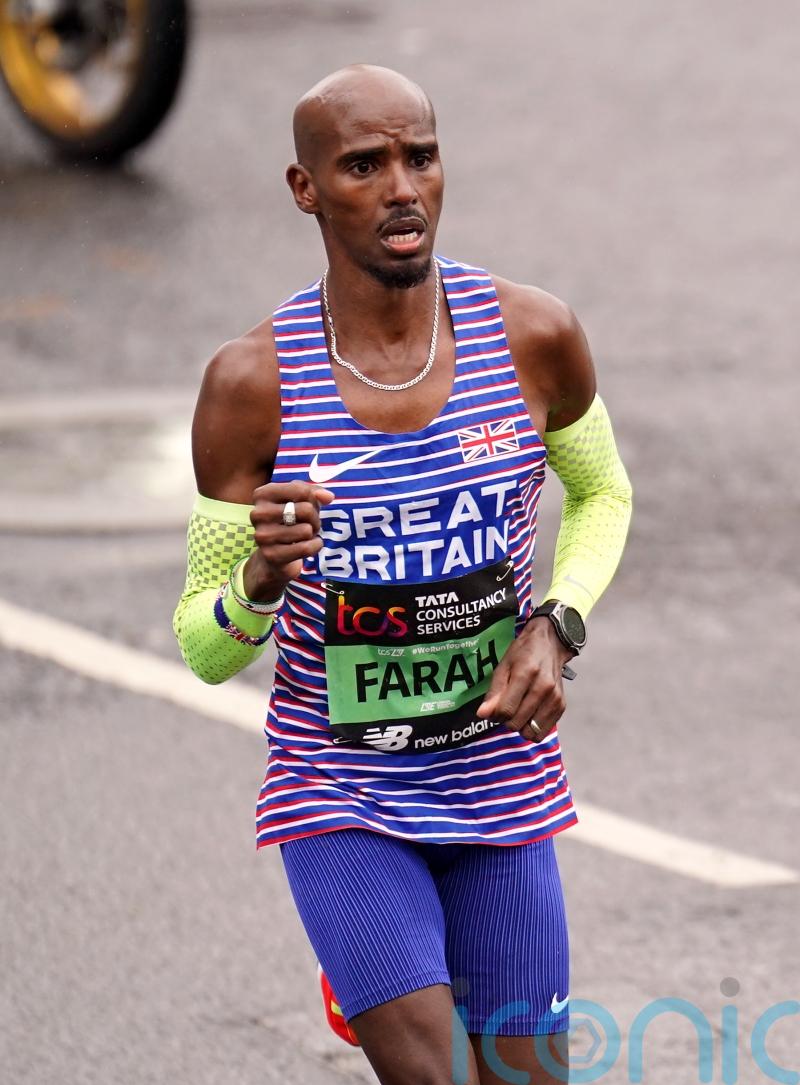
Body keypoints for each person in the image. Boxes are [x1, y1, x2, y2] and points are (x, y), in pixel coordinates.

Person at [173, 65, 632, 1085]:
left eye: (419, 157)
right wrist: (256, 581)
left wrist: (556, 622)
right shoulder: (252, 386)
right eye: (363, 166)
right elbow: (202, 644)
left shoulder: (533, 336)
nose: (401, 189)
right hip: (340, 793)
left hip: (501, 779)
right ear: (305, 188)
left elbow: (603, 493)